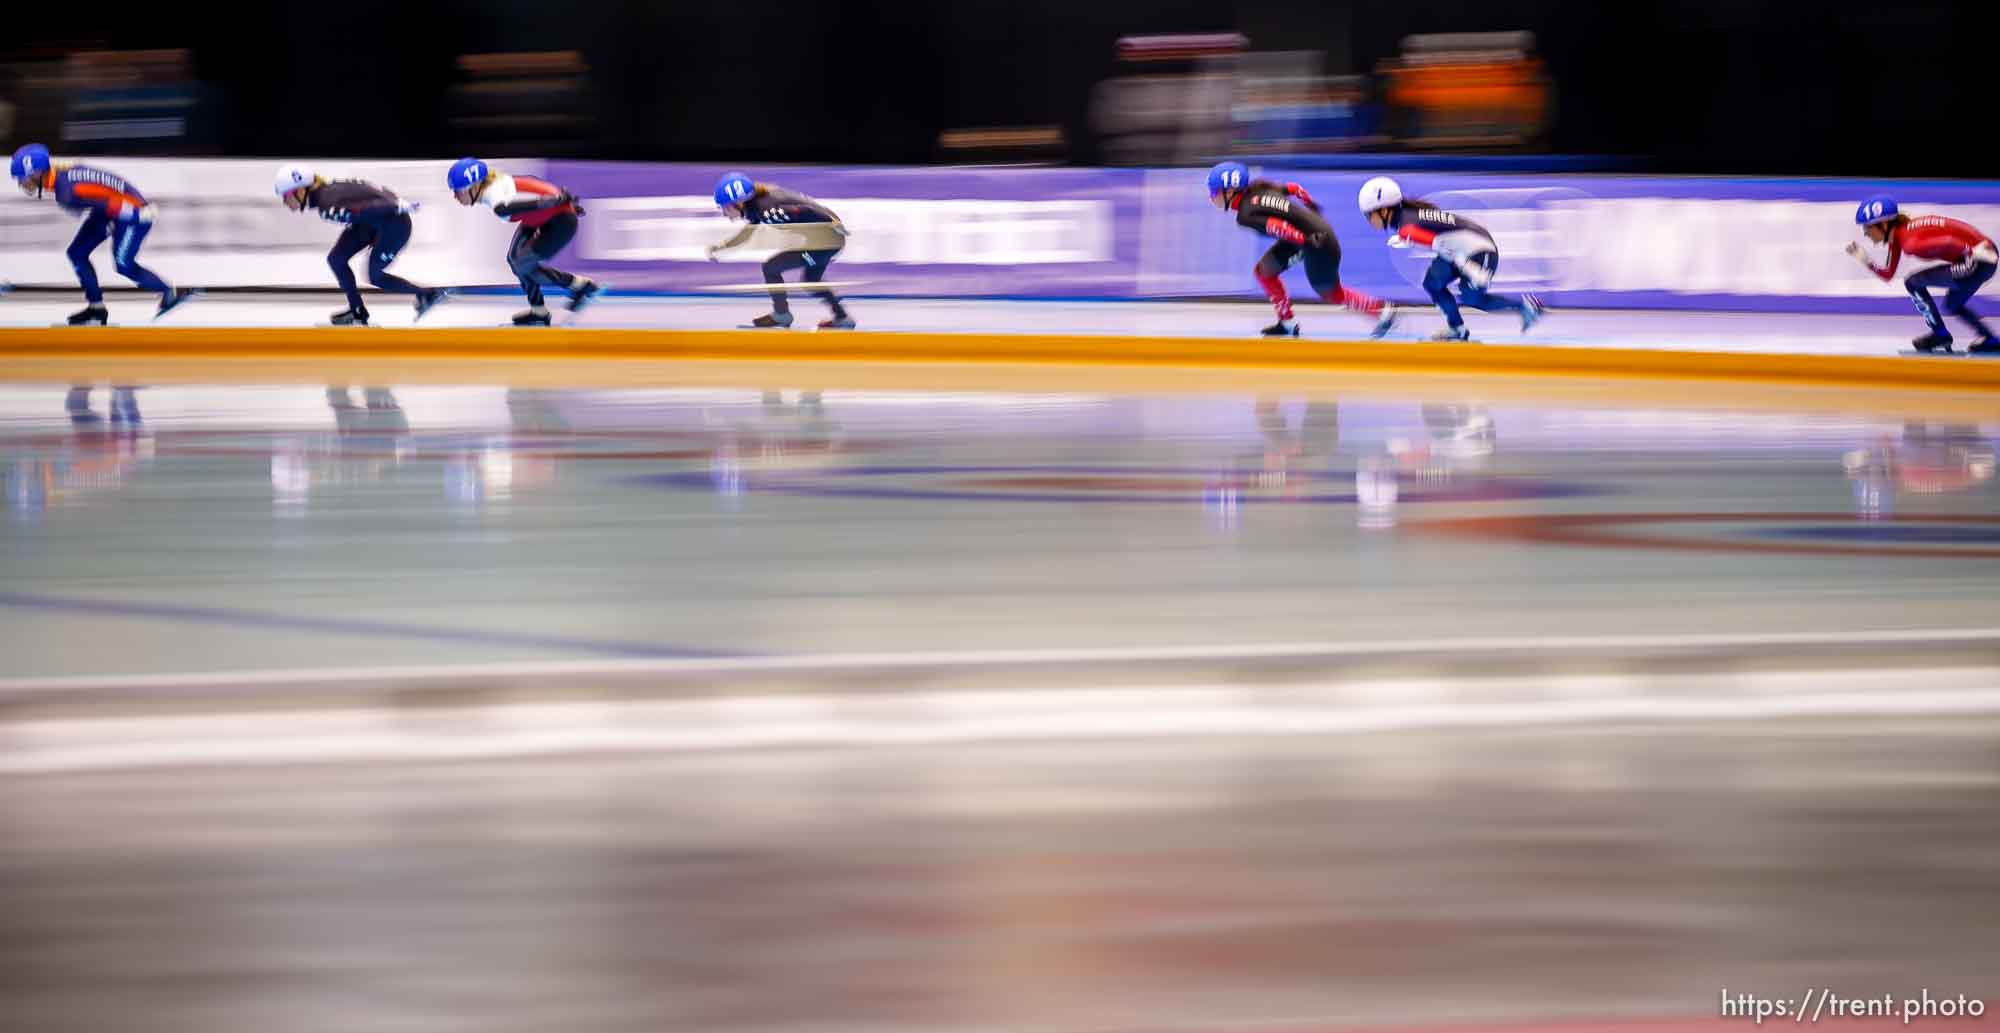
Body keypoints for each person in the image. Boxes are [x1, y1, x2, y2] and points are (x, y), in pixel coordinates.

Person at [9, 143, 195, 325]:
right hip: (110, 208)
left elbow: (111, 205)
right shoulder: (59, 174)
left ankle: (169, 292)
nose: (21, 183)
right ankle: (96, 307)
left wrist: (139, 214)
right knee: (77, 253)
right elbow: (98, 196)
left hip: (131, 212)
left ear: (38, 173)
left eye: (23, 178)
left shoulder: (66, 193)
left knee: (123, 265)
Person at [1206, 160, 1393, 338]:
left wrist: (1306, 240)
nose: (1211, 197)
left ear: (1230, 191)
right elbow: (1295, 188)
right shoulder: (1259, 188)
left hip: (1315, 242)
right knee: (1263, 272)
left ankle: (1381, 310)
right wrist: (1311, 208)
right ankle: (1287, 323)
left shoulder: (1246, 214)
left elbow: (1279, 227)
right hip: (1309, 236)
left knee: (1331, 292)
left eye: (1214, 192)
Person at [1358, 175, 1543, 341]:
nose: (1368, 220)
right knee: (1432, 283)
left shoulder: (1407, 226)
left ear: (1383, 210)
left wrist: (1471, 269)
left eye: (1369, 214)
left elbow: (1441, 245)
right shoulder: (1407, 218)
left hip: (1481, 251)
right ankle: (1457, 329)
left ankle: (1526, 307)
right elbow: (1442, 239)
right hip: (1466, 247)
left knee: (1472, 299)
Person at [275, 165, 445, 327]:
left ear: (300, 190)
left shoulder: (327, 205)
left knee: (374, 276)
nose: (285, 202)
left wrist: (396, 206)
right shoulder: (327, 192)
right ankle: (357, 311)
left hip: (395, 224)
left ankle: (427, 294)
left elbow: (368, 207)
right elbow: (372, 191)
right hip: (372, 221)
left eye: (285, 196)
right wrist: (392, 202)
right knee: (337, 259)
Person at [448, 158, 600, 327]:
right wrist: (559, 200)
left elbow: (507, 206)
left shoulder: (495, 197)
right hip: (541, 216)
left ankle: (581, 284)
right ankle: (538, 311)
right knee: (514, 260)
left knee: (523, 265)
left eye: (458, 191)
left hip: (560, 222)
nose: (455, 196)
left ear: (475, 186)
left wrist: (559, 203)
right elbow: (529, 185)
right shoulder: (493, 186)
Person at [1847, 195, 1999, 354]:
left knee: (1913, 282)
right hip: (1982, 255)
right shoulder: (1901, 235)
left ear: (1883, 224)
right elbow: (1888, 274)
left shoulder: (1910, 243)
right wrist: (1866, 261)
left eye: (1867, 228)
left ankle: (1939, 334)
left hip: (1980, 257)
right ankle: (1990, 339)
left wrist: (1974, 252)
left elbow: (1948, 241)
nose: (1865, 233)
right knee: (1952, 304)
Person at [708, 172, 854, 329]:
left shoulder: (768, 210)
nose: (724, 213)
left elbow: (806, 210)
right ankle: (842, 318)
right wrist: (724, 246)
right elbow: (747, 233)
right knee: (811, 280)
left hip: (826, 241)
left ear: (738, 203)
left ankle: (782, 315)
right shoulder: (756, 204)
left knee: (771, 267)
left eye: (725, 208)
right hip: (822, 240)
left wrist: (834, 222)